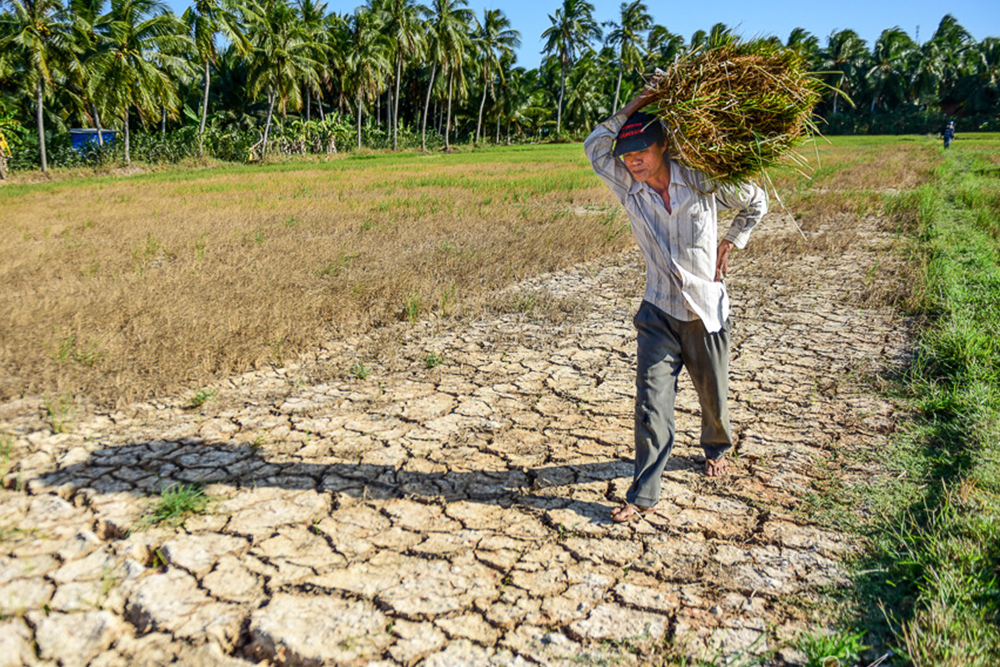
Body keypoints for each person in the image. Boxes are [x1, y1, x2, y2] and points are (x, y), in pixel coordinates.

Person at [584, 79, 768, 523]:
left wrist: (731, 240)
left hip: (705, 310)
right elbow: (595, 144)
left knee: (713, 397)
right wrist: (642, 101)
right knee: (650, 404)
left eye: (642, 151)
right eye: (627, 155)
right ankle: (643, 494)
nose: (634, 161)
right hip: (658, 310)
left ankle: (715, 447)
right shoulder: (628, 184)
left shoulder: (703, 179)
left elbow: (756, 201)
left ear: (664, 145)